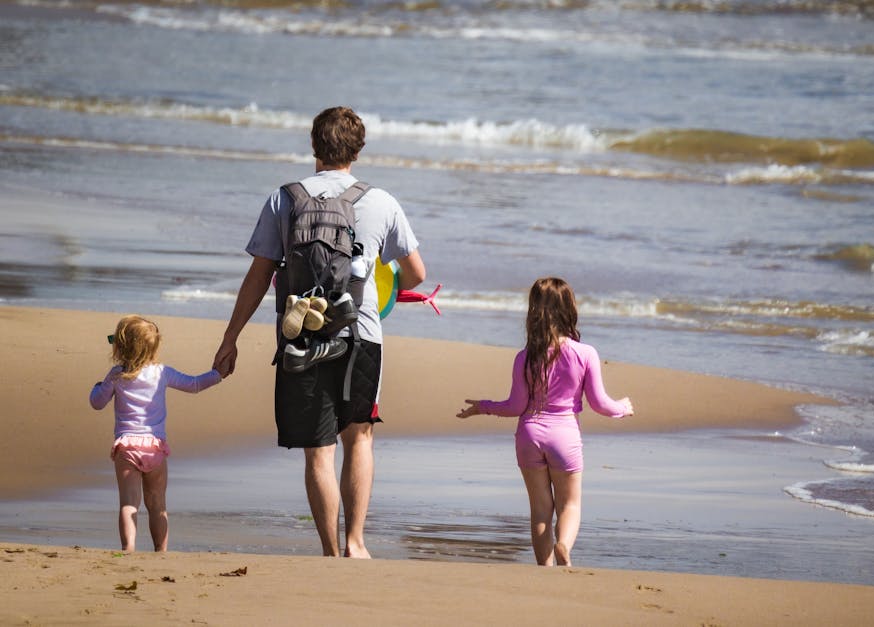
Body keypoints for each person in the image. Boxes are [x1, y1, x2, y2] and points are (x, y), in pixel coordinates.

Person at [213, 106, 425, 558]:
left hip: (299, 332)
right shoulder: (381, 201)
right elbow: (417, 274)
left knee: (318, 450)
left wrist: (230, 338)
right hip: (359, 332)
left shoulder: (283, 199)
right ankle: (356, 543)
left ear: (313, 145)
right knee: (360, 437)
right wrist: (387, 291)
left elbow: (257, 277)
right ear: (358, 150)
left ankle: (329, 551)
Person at [457, 277, 633, 567]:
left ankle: (545, 569)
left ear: (533, 311)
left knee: (540, 510)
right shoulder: (585, 353)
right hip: (565, 435)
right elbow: (600, 404)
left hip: (529, 435)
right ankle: (563, 545)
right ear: (569, 309)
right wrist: (622, 408)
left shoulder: (525, 357)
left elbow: (515, 406)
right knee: (570, 504)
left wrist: (482, 407)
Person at [89, 315, 223, 552]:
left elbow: (97, 403)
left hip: (127, 447)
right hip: (155, 447)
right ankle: (161, 551)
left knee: (129, 504)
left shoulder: (117, 375)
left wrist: (97, 387)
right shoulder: (162, 372)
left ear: (122, 347)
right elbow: (193, 384)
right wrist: (218, 374)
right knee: (157, 503)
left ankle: (128, 548)